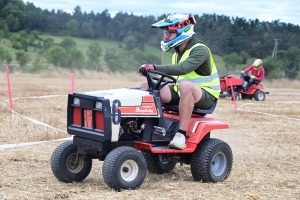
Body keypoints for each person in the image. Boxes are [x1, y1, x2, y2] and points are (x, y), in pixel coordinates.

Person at [138, 14, 220, 150]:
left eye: (170, 33)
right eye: (166, 33)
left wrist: (154, 67)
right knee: (146, 86)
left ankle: (180, 135)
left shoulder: (200, 50)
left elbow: (183, 69)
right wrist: (149, 74)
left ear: (183, 31)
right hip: (182, 91)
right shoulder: (177, 53)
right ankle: (147, 129)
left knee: (186, 86)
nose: (166, 37)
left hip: (206, 95)